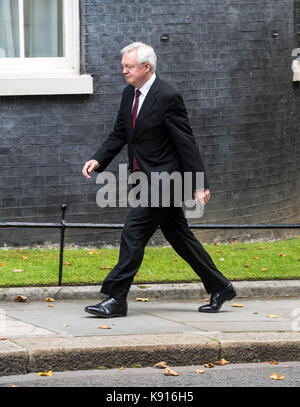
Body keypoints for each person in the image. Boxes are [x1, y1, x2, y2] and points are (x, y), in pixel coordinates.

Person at [82, 42, 236, 318]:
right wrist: (98, 159)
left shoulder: (168, 96)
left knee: (133, 231)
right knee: (181, 238)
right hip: (143, 180)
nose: (124, 72)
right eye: (123, 67)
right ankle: (220, 286)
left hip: (166, 181)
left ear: (146, 67)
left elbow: (185, 142)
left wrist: (199, 184)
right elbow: (120, 133)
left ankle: (116, 298)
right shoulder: (129, 94)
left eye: (128, 67)